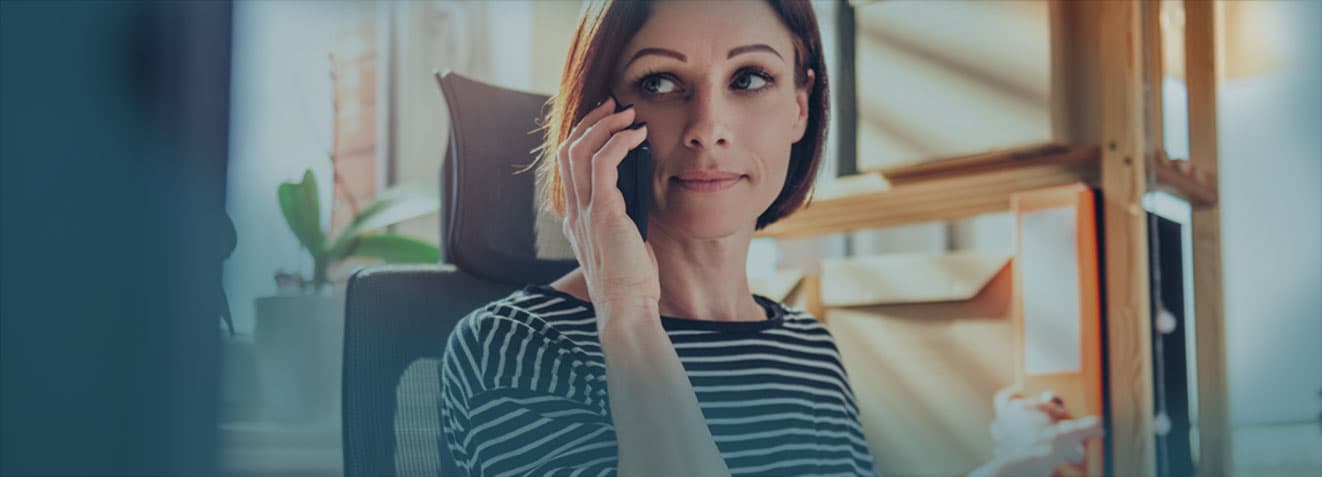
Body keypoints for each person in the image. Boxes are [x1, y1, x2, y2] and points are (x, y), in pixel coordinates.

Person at [440, 1, 1102, 475]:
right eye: (661, 83)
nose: (709, 126)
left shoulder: (806, 348)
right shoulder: (515, 346)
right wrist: (629, 313)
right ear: (597, 121)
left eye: (749, 78)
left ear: (799, 106)